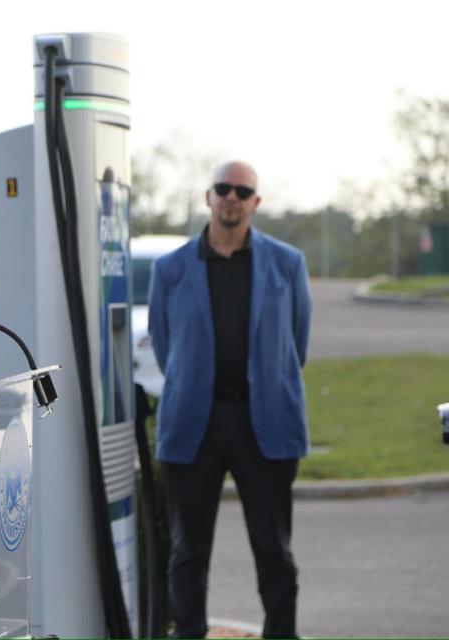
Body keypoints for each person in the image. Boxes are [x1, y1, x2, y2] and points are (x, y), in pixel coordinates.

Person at [148, 161, 312, 639]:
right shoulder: (171, 269)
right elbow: (164, 344)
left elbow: (295, 346)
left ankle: (281, 634)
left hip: (266, 423)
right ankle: (189, 633)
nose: (232, 197)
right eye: (224, 188)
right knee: (188, 550)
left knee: (274, 548)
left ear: (256, 202)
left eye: (243, 190)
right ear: (209, 196)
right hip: (194, 423)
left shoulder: (287, 264)